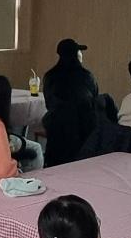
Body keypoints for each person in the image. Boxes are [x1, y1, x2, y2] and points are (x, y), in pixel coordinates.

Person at [41, 38, 99, 166]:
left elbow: (49, 103)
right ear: (77, 55)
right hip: (83, 130)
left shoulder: (50, 76)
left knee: (55, 166)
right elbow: (93, 101)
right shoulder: (86, 76)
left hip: (56, 128)